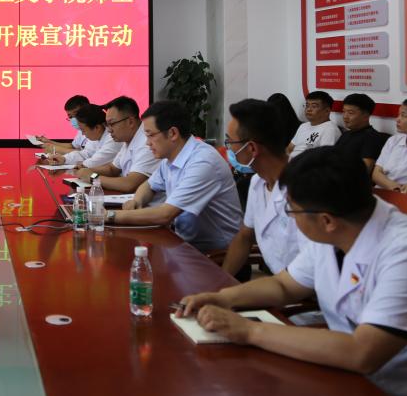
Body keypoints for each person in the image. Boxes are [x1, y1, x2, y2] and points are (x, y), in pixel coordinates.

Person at [177, 147, 407, 396]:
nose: (291, 217)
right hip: (343, 378)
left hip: (404, 392)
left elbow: (362, 353)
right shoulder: (339, 227)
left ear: (326, 220)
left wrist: (248, 330)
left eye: (291, 210)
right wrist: (223, 297)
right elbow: (285, 286)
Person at [113, 100, 242, 252]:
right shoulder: (170, 157)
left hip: (216, 254)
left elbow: (165, 214)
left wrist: (110, 216)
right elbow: (148, 186)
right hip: (183, 243)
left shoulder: (203, 162)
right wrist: (137, 201)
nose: (147, 143)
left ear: (173, 133)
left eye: (151, 135)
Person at [220, 100, 303, 281]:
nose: (229, 148)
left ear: (251, 148)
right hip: (279, 282)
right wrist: (222, 280)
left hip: (303, 289)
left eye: (230, 141)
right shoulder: (258, 182)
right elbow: (245, 236)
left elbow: (308, 272)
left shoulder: (303, 188)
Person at [73, 97, 159, 194]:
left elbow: (129, 184)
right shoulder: (128, 138)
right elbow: (112, 169)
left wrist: (92, 177)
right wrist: (86, 171)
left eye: (112, 124)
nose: (109, 130)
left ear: (130, 122)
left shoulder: (147, 142)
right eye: (107, 125)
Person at [371, 98, 407, 193]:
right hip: (383, 191)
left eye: (404, 116)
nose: (397, 119)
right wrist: (395, 187)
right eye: (398, 115)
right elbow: (376, 174)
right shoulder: (394, 140)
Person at [335, 93, 388, 174]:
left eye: (350, 113)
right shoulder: (346, 134)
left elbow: (364, 170)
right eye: (344, 112)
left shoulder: (371, 137)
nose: (345, 116)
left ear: (365, 115)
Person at [287, 91, 341, 159]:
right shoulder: (303, 126)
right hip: (292, 162)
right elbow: (290, 148)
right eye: (307, 106)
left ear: (327, 111)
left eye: (314, 106)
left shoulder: (330, 129)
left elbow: (324, 157)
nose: (309, 109)